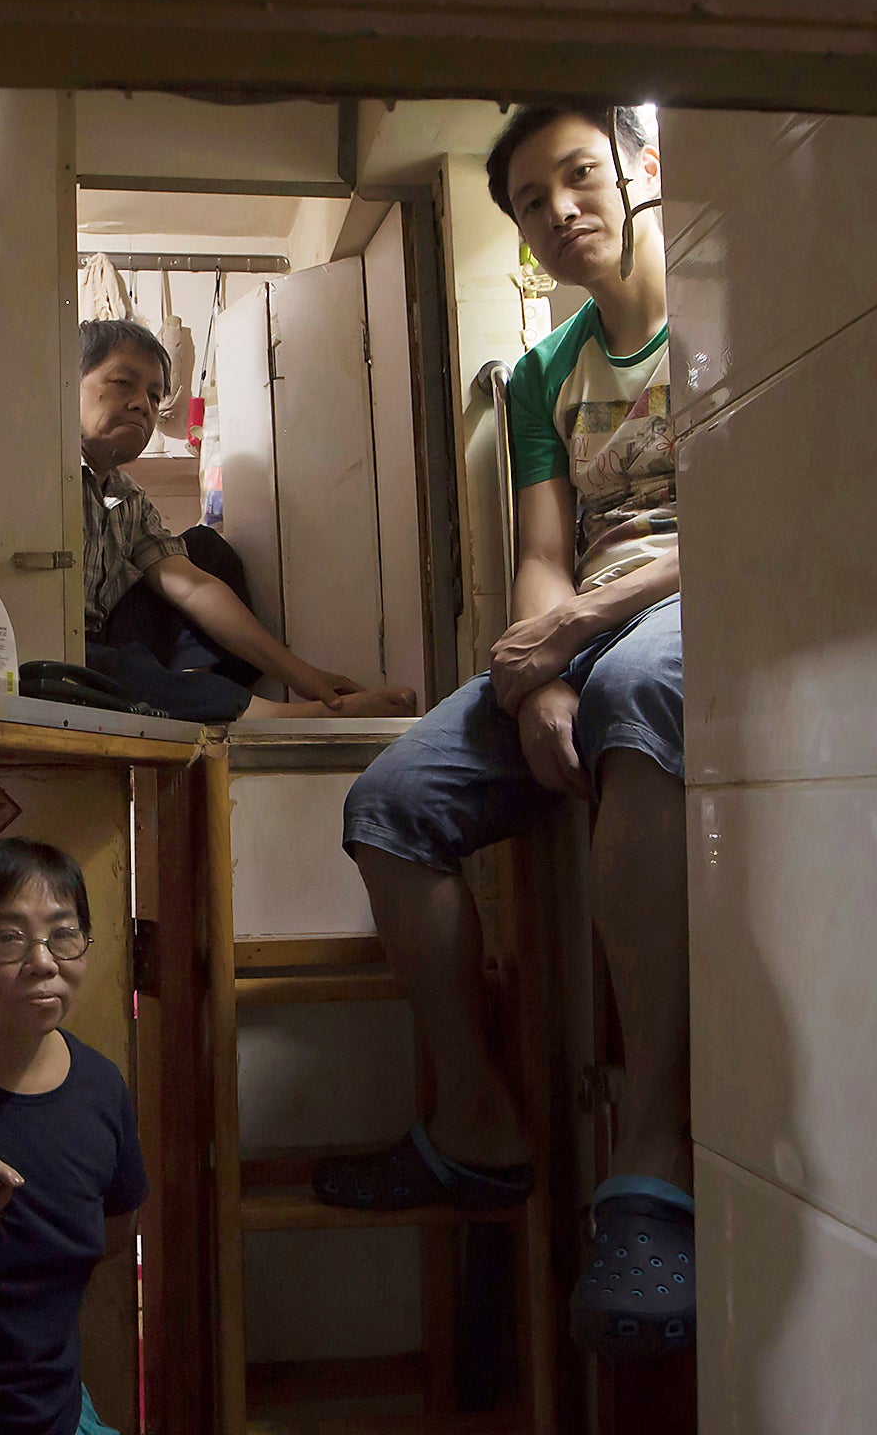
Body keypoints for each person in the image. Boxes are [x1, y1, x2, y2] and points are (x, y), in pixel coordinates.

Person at [312, 104, 694, 1359]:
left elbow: (744, 507)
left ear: (637, 169)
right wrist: (533, 682)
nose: (560, 209)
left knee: (637, 688)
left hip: (695, 607)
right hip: (583, 618)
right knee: (390, 801)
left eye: (578, 176)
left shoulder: (719, 304)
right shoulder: (543, 372)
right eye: (530, 199)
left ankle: (647, 1167)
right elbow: (540, 554)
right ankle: (477, 1126)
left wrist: (579, 627)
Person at [78, 317, 416, 722]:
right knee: (105, 664)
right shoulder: (39, 479)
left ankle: (198, 696)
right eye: (122, 383)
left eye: (154, 395)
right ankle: (280, 717)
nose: (142, 404)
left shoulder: (128, 498)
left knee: (206, 551)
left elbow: (191, 587)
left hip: (109, 646)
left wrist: (303, 675)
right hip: (57, 649)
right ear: (66, 384)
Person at [0, 837, 146, 1435]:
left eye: (63, 935)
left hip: (62, 1413)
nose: (43, 961)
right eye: (9, 937)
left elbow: (117, 1233)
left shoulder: (100, 1087)